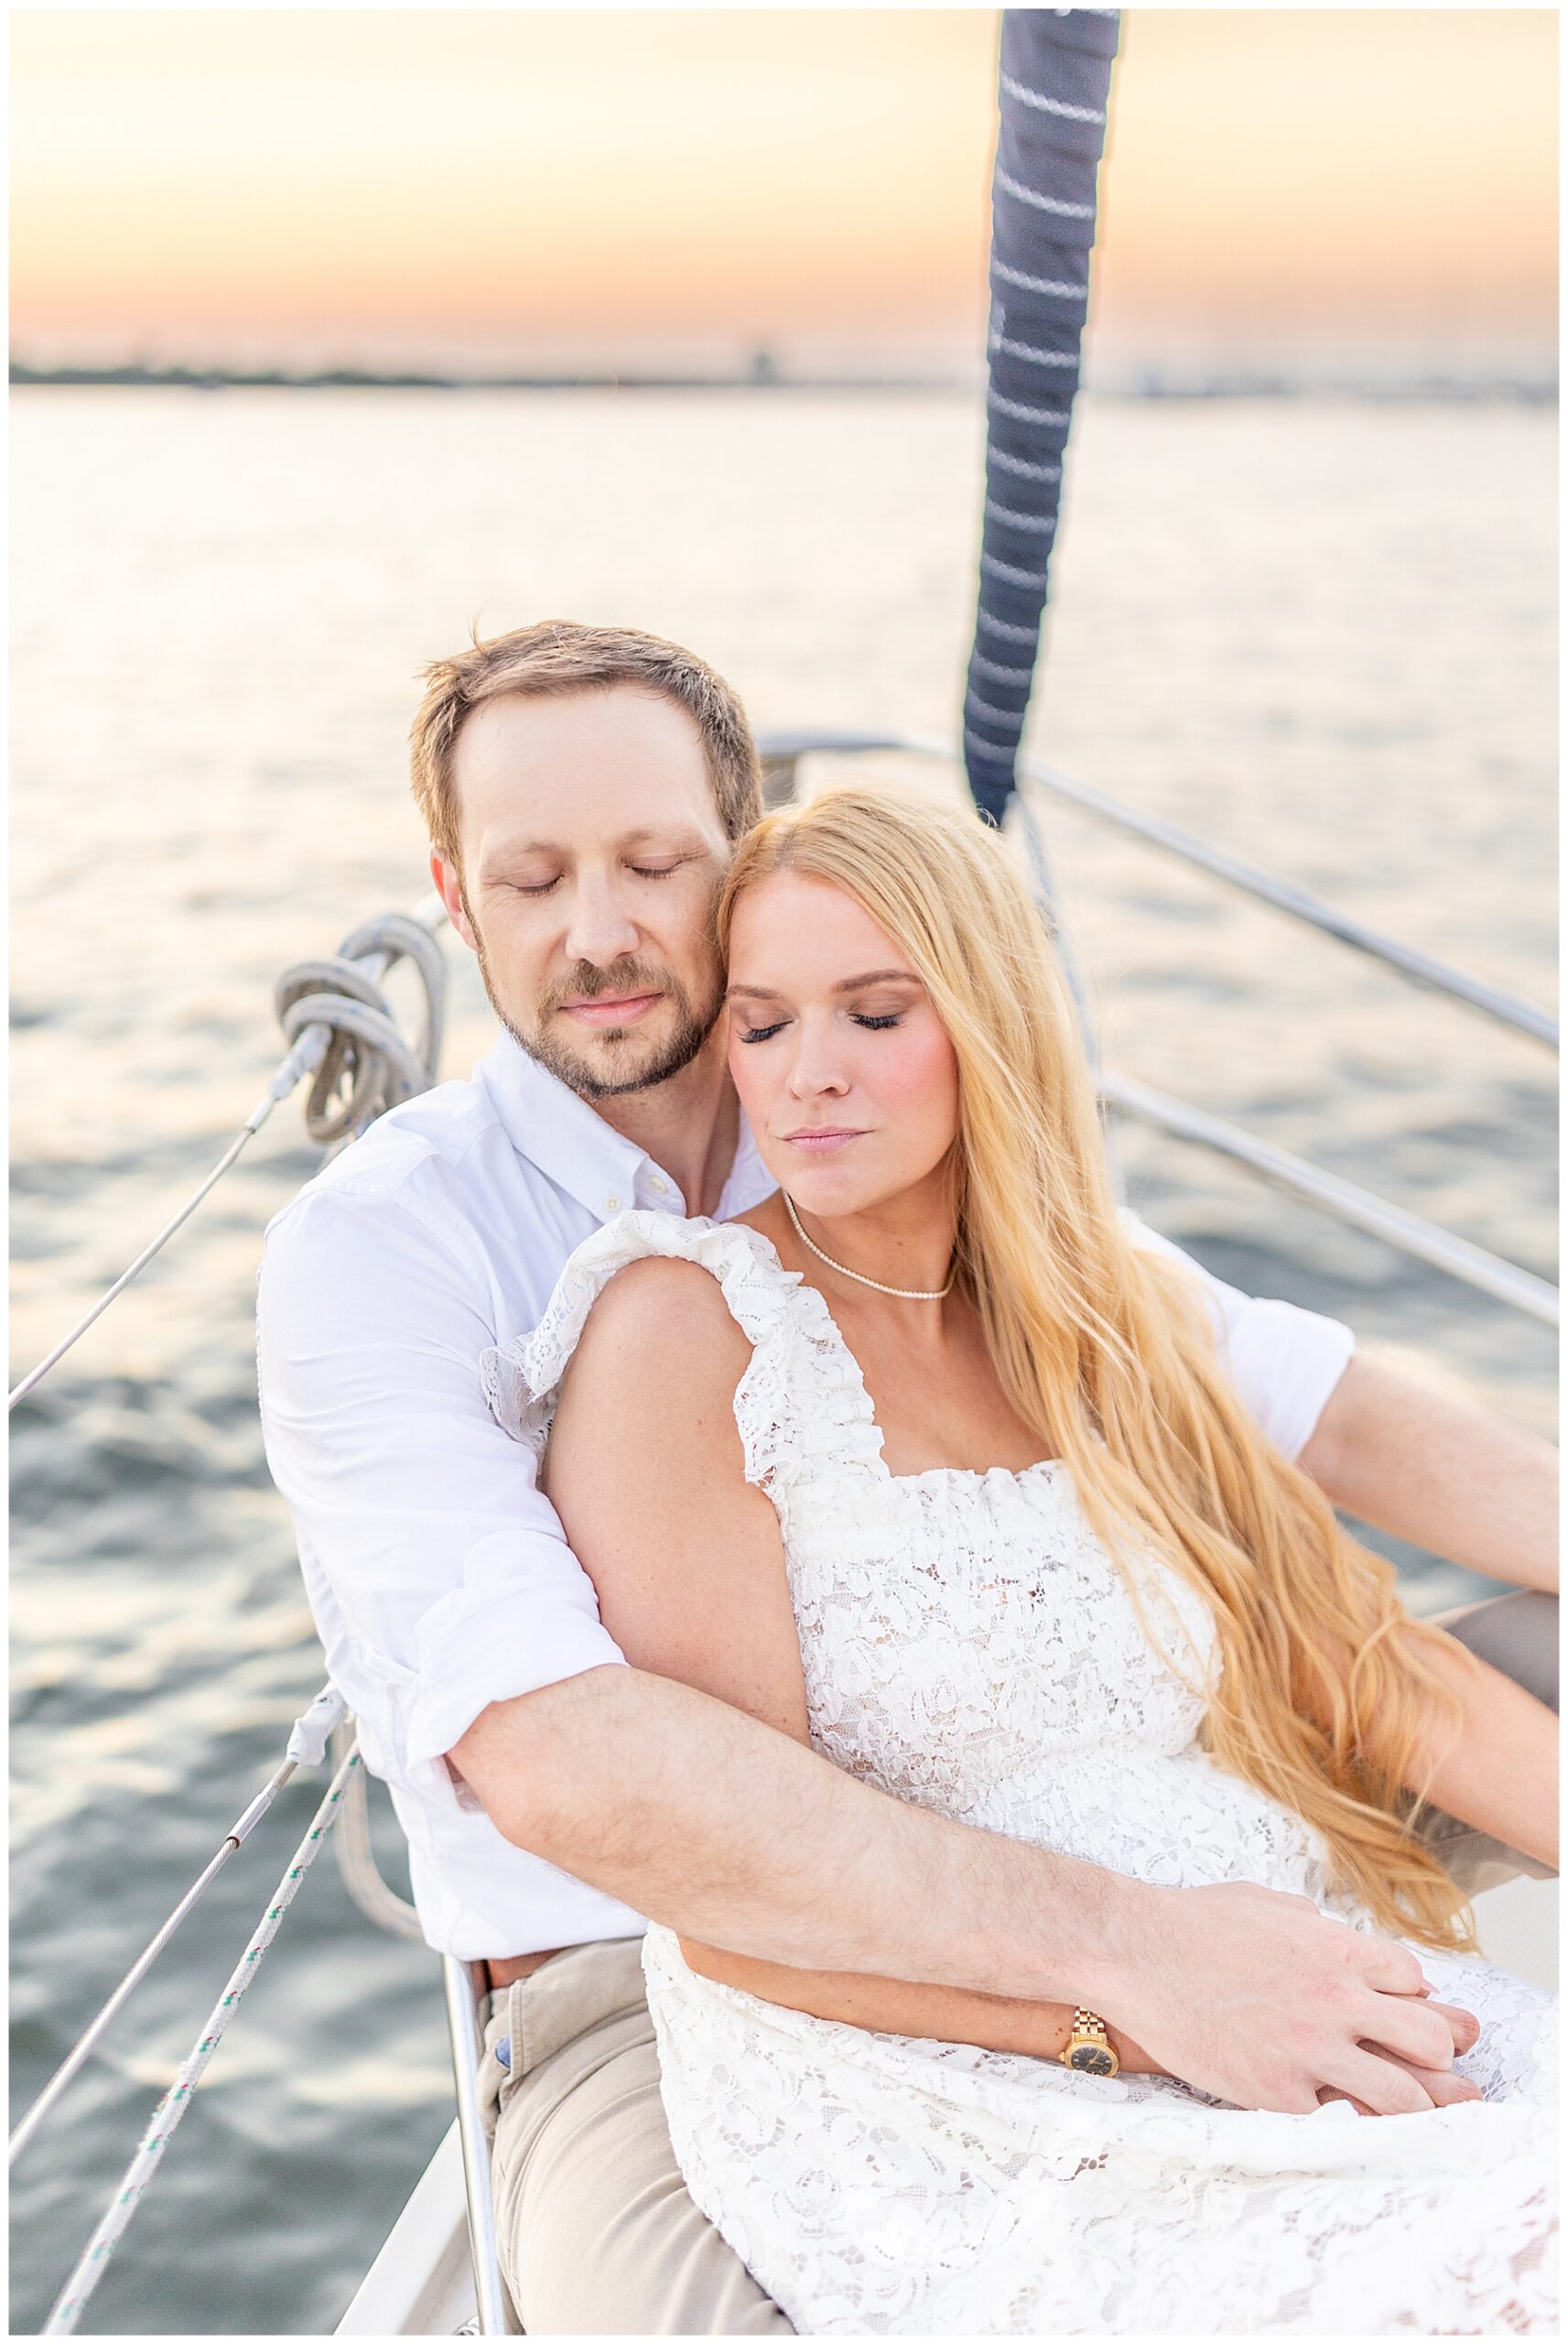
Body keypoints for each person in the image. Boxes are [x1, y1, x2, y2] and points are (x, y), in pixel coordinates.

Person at [256, 621, 1559, 2335]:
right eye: (531, 878)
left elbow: (1294, 1405)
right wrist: (1141, 1970)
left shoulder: (949, 1183)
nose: (598, 934)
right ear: (450, 891)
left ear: (741, 854)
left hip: (1141, 1817)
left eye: (654, 865)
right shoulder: (403, 1254)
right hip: (646, 1983)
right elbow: (582, 1771)